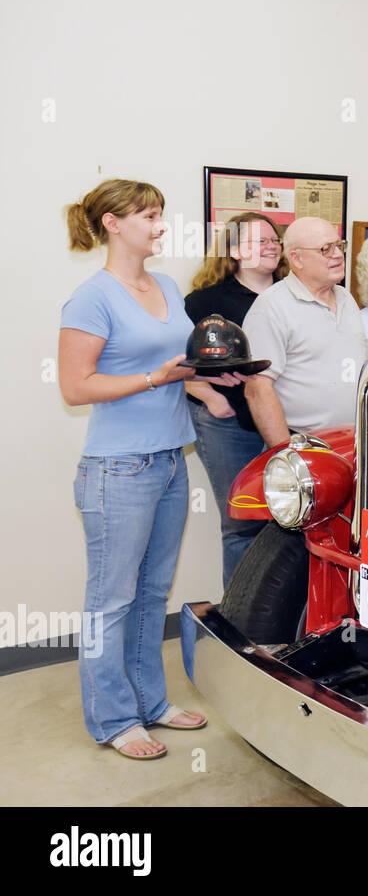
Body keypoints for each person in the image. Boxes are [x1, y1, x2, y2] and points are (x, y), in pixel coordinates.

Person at [59, 179, 244, 759]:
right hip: (117, 469)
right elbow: (75, 386)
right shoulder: (91, 297)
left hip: (169, 461)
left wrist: (207, 380)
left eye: (162, 214)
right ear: (112, 224)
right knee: (110, 600)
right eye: (149, 215)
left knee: (150, 593)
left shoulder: (164, 285)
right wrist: (154, 379)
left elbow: (176, 364)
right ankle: (114, 719)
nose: (161, 224)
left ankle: (149, 701)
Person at [184, 212, 287, 586]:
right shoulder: (203, 303)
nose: (270, 247)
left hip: (286, 423)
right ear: (233, 250)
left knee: (290, 524)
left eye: (273, 240)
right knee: (242, 524)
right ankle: (243, 624)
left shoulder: (295, 294)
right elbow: (174, 366)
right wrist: (208, 395)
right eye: (259, 241)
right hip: (229, 423)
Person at [242, 216, 368, 445]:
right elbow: (258, 390)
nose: (338, 255)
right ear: (297, 259)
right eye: (325, 249)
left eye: (339, 246)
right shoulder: (271, 306)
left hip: (353, 442)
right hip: (304, 445)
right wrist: (288, 456)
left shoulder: (347, 298)